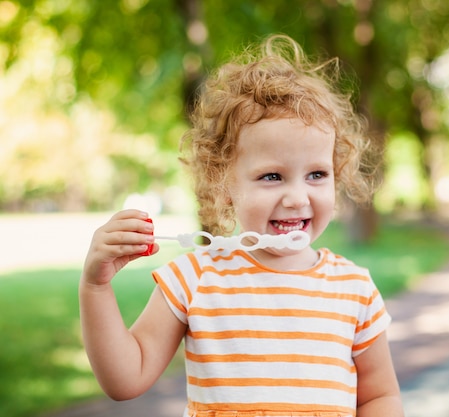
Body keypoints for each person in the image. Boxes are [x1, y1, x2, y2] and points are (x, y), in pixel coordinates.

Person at [79, 34, 404, 417]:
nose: (297, 197)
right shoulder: (196, 278)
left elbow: (379, 397)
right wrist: (95, 287)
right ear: (225, 184)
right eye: (272, 177)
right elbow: (125, 379)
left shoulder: (355, 290)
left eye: (317, 174)